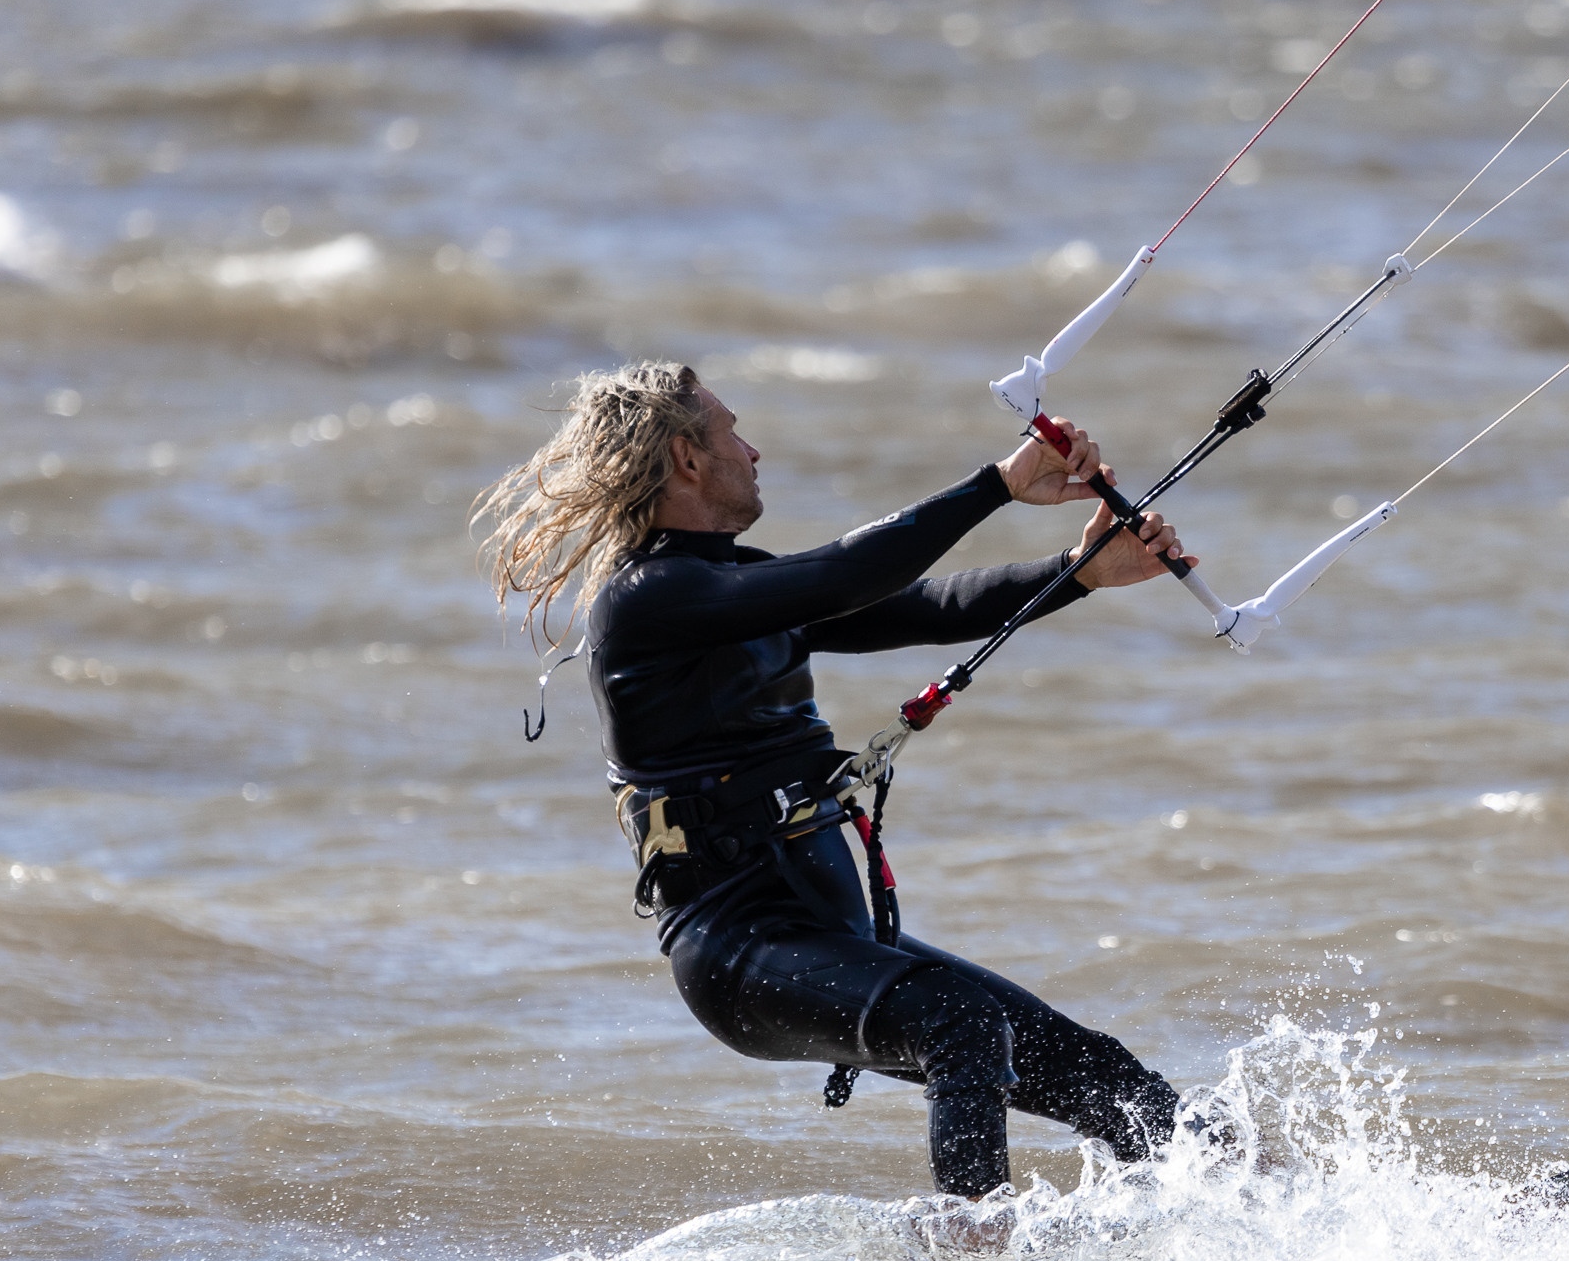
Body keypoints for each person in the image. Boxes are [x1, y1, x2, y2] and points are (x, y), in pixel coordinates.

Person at [474, 360, 1192, 1200]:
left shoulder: (737, 583)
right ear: (689, 459)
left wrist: (1080, 572)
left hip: (833, 930)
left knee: (1107, 1078)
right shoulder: (646, 601)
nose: (754, 447)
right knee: (960, 1023)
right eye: (732, 430)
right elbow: (848, 573)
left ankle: (1263, 1209)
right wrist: (997, 485)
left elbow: (924, 606)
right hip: (744, 949)